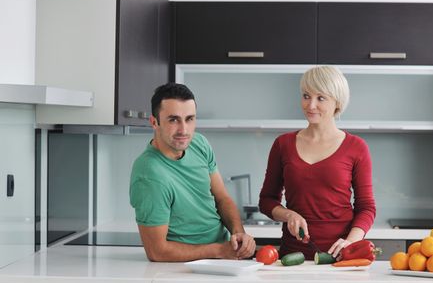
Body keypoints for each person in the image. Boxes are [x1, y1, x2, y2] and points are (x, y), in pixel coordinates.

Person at [259, 65, 376, 260]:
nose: (310, 105)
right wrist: (289, 215)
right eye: (306, 96)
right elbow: (266, 200)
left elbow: (367, 207)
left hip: (340, 258)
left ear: (337, 102)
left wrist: (351, 241)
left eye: (320, 98)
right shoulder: (283, 144)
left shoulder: (356, 147)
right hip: (293, 258)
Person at [129, 82, 256, 262]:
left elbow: (222, 198)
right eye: (173, 120)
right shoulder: (149, 175)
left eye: (189, 119)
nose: (184, 130)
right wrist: (219, 250)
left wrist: (238, 233)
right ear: (154, 122)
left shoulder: (199, 144)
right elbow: (157, 252)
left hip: (223, 258)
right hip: (184, 267)